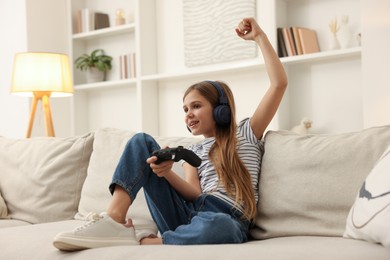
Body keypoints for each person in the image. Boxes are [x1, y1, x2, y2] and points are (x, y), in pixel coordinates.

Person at [53, 17, 287, 250]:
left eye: (196, 106)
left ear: (220, 110)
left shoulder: (246, 132)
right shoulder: (193, 152)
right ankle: (114, 219)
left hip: (227, 219)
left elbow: (279, 84)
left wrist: (259, 37)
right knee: (141, 141)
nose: (188, 114)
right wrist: (164, 173)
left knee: (220, 225)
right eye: (185, 109)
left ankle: (161, 241)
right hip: (188, 214)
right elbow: (194, 193)